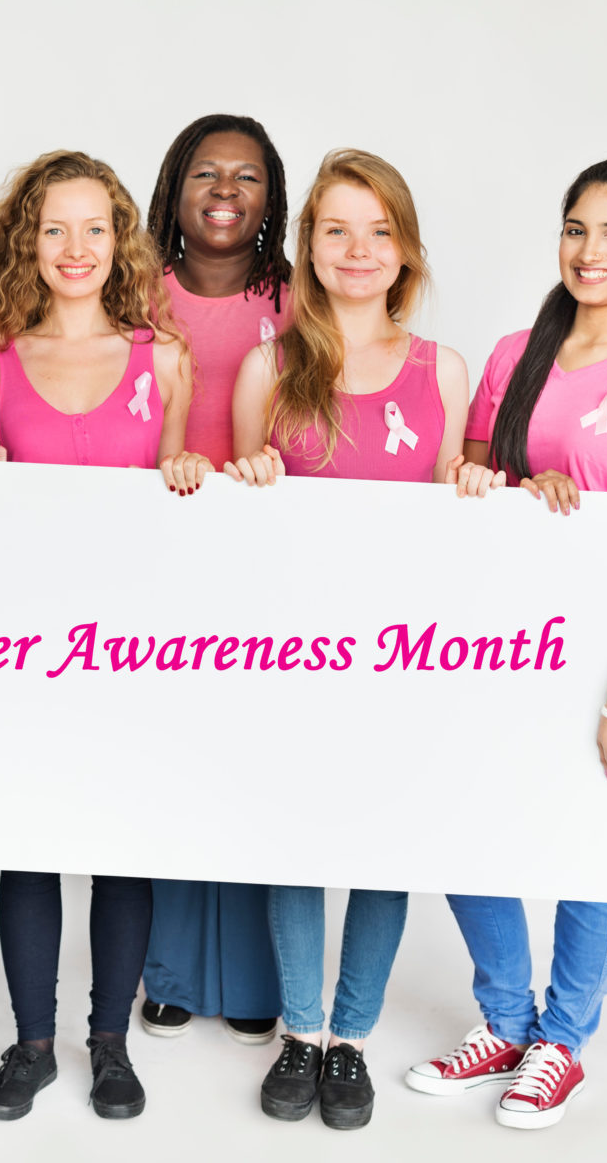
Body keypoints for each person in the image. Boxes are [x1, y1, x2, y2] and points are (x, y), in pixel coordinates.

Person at [404, 158, 607, 1129]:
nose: (591, 251)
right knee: (468, 819)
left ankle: (561, 1038)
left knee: (589, 845)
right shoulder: (514, 353)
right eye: (576, 228)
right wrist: (494, 480)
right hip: (510, 646)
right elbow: (465, 472)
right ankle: (504, 1018)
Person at [0, 149, 209, 1123]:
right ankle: (31, 1040)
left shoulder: (163, 362)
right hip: (19, 652)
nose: (74, 247)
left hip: (130, 652)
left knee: (119, 849)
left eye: (93, 227)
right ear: (25, 240)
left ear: (120, 240)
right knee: (26, 846)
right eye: (53, 227)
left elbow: (181, 501)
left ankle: (109, 1041)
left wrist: (184, 472)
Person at [227, 148, 470, 1130]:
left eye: (378, 229)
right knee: (296, 838)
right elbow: (236, 519)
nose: (357, 248)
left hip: (402, 659)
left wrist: (474, 486)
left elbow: (457, 507)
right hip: (295, 659)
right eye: (336, 229)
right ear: (309, 246)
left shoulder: (441, 368)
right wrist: (243, 482)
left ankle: (353, 1037)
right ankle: (300, 1028)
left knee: (381, 844)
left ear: (404, 246)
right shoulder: (267, 366)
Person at [136, 112, 293, 1049]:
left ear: (271, 196)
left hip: (266, 559)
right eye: (205, 173)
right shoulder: (133, 291)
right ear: (176, 188)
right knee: (170, 763)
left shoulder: (297, 298)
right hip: (159, 555)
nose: (225, 190)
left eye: (246, 176)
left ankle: (254, 975)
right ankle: (172, 972)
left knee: (254, 767)